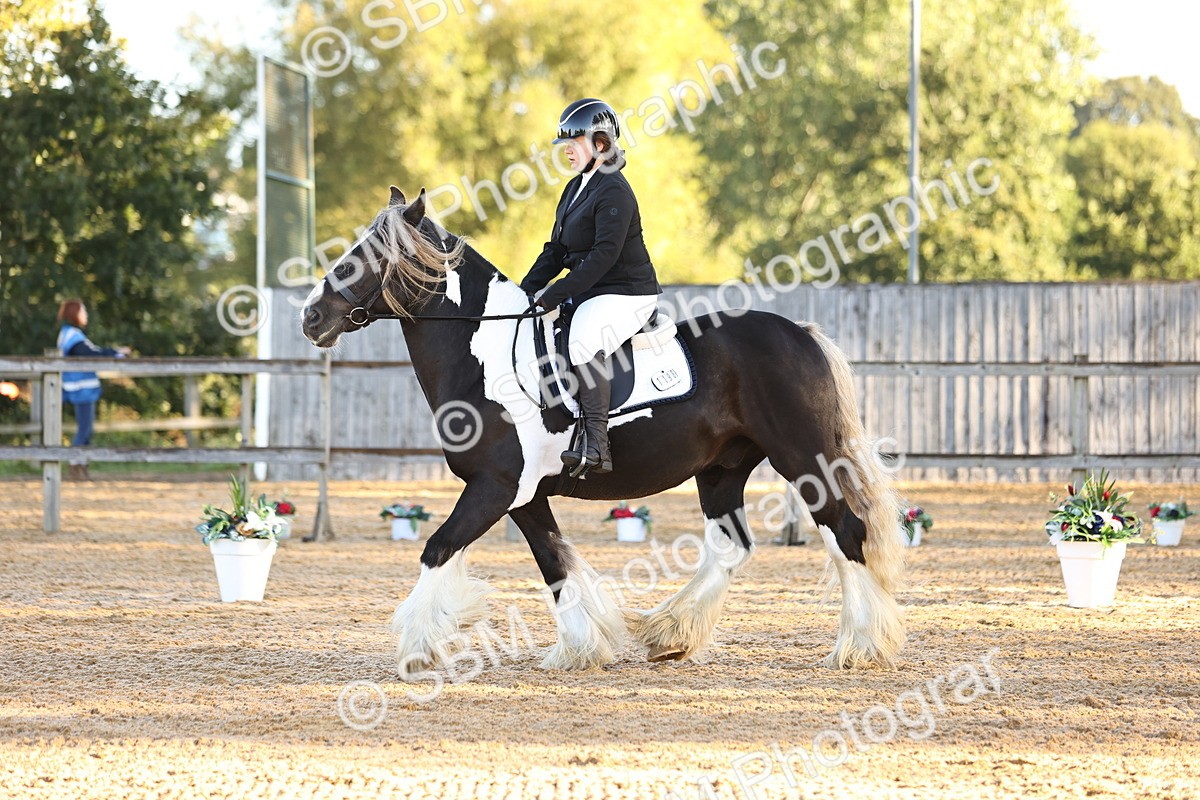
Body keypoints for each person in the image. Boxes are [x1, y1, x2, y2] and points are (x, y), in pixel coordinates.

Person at [520, 98, 662, 474]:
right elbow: (556, 250)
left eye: (574, 142)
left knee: (583, 337)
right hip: (593, 289)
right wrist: (523, 290)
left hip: (626, 291)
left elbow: (603, 257)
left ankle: (596, 444)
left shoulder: (614, 190)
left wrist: (553, 293)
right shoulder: (575, 188)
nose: (566, 150)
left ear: (600, 143)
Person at [56, 299, 130, 480]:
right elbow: (90, 353)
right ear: (75, 314)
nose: (85, 315)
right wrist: (115, 353)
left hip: (82, 388)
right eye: (83, 312)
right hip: (81, 388)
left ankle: (81, 466)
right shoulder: (72, 336)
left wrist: (114, 352)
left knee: (86, 429)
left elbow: (91, 351)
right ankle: (76, 465)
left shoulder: (71, 335)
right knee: (85, 429)